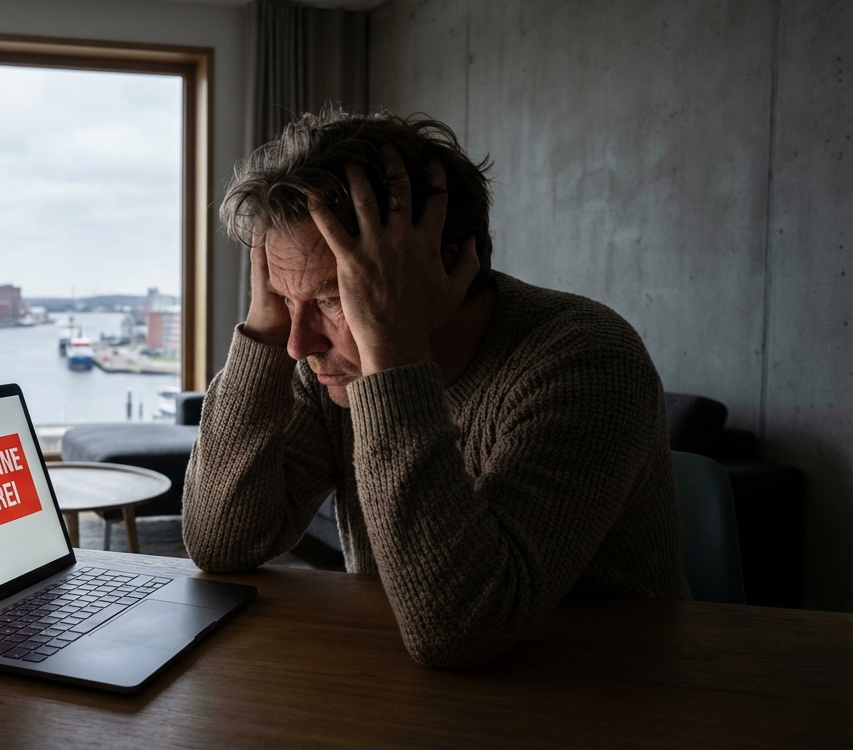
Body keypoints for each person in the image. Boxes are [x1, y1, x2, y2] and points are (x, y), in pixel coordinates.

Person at [181, 109, 690, 669]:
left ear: (445, 263)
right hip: (410, 687)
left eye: (332, 299)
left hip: (606, 691)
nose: (299, 346)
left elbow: (461, 627)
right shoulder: (331, 367)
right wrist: (262, 332)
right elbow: (222, 544)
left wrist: (392, 355)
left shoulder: (587, 360)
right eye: (284, 301)